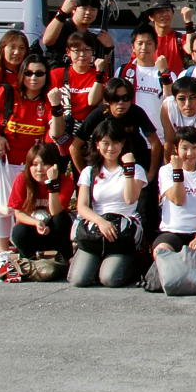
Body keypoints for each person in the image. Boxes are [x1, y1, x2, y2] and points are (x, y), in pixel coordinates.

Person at [0, 54, 60, 256]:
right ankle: (2, 252)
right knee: (2, 208)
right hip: (7, 162)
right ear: (22, 75)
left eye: (39, 73)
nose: (34, 78)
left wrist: (56, 107)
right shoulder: (7, 93)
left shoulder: (47, 100)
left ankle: (30, 249)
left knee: (29, 209)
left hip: (33, 167)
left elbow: (56, 133)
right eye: (29, 73)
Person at [70, 123, 146, 287]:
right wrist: (101, 222)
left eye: (115, 143)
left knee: (110, 279)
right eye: (105, 143)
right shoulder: (89, 172)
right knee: (79, 280)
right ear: (97, 145)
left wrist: (129, 169)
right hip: (97, 227)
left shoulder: (136, 169)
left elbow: (129, 199)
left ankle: (127, 263)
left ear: (122, 143)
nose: (111, 148)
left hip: (122, 229)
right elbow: (82, 206)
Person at [151, 128, 196, 289]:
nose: (189, 153)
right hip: (172, 232)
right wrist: (177, 171)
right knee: (160, 251)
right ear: (176, 149)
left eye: (194, 148)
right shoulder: (166, 171)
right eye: (184, 148)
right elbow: (178, 199)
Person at [7, 142, 75, 265]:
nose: (39, 169)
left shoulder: (65, 182)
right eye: (34, 164)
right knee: (19, 231)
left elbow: (55, 211)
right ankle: (28, 259)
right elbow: (18, 213)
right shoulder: (22, 179)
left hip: (54, 231)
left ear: (54, 165)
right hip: (33, 228)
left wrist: (52, 184)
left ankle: (65, 257)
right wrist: (36, 223)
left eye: (44, 164)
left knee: (62, 219)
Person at [39, 0, 113, 69]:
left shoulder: (94, 38)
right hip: (58, 77)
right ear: (74, 9)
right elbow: (47, 41)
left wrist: (109, 48)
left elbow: (103, 68)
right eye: (84, 8)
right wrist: (62, 12)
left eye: (93, 9)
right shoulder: (62, 27)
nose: (88, 12)